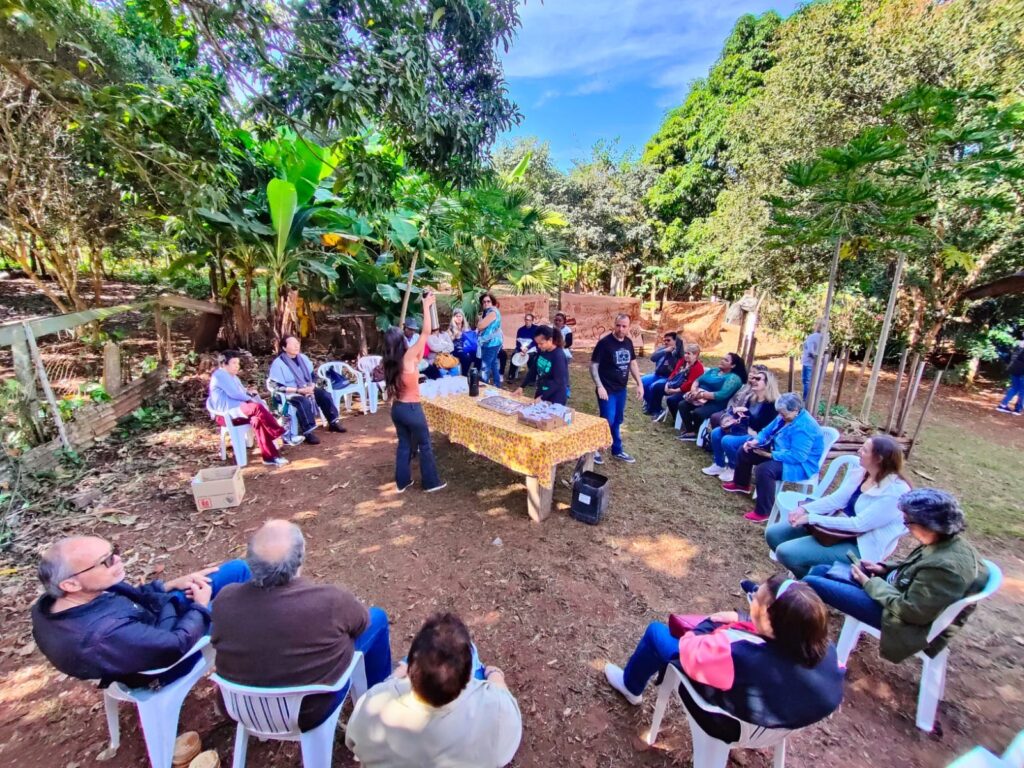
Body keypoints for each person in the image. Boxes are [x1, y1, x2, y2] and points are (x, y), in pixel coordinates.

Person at [603, 576, 844, 741]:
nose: (750, 603)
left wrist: (711, 623)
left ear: (770, 619)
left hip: (730, 722)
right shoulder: (824, 649)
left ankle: (630, 686)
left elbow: (690, 649)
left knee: (656, 633)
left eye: (754, 599)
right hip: (778, 725)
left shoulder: (737, 652)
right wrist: (743, 618)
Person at [211, 520, 392, 732]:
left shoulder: (225, 600)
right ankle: (380, 702)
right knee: (377, 618)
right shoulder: (330, 601)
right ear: (301, 557)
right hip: (310, 711)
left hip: (241, 710)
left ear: (251, 562)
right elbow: (361, 623)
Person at [32, 535, 250, 688]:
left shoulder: (68, 598)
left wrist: (170, 585)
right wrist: (200, 607)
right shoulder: (102, 634)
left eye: (114, 551)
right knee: (237, 602)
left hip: (156, 620)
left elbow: (133, 598)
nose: (118, 560)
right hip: (168, 659)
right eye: (106, 561)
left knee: (237, 569)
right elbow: (175, 645)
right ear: (71, 584)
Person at [804, 488, 990, 664]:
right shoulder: (948, 541)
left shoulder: (946, 569)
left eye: (908, 521)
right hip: (896, 591)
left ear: (930, 526)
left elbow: (909, 611)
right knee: (820, 570)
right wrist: (883, 568)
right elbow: (920, 567)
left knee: (810, 583)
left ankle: (804, 640)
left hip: (902, 621)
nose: (905, 526)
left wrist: (869, 582)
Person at [346, 612, 522, 767]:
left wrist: (394, 676)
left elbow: (352, 743)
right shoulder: (496, 709)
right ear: (468, 678)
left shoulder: (372, 704)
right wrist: (495, 673)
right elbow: (505, 751)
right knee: (472, 651)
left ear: (410, 671)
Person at [765, 436, 911, 578]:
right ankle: (812, 574)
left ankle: (812, 586)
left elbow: (859, 524)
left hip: (861, 545)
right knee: (774, 534)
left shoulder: (895, 491)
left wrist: (811, 518)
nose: (859, 451)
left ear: (878, 459)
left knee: (786, 553)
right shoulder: (863, 472)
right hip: (835, 529)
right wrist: (805, 509)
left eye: (865, 450)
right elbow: (836, 500)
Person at [723, 392, 825, 523]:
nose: (780, 416)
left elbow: (798, 456)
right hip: (779, 452)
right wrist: (756, 441)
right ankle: (741, 483)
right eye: (780, 413)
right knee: (745, 450)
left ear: (795, 410)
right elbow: (766, 431)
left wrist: (771, 455)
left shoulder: (804, 427)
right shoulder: (785, 417)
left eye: (783, 414)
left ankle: (764, 511)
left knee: (764, 470)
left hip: (800, 464)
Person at [383, 290, 446, 493]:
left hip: (397, 409)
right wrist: (426, 307)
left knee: (404, 445)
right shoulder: (407, 357)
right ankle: (431, 483)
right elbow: (426, 333)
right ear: (402, 341)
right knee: (425, 445)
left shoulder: (390, 362)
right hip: (411, 408)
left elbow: (419, 353)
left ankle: (402, 482)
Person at [207, 350, 290, 467]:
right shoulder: (220, 375)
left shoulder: (232, 376)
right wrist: (250, 398)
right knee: (256, 407)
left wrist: (250, 394)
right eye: (234, 363)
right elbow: (235, 394)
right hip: (226, 414)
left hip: (238, 410)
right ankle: (279, 432)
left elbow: (242, 391)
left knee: (257, 420)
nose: (237, 366)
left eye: (238, 363)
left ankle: (270, 456)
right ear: (224, 364)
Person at [703, 364, 781, 480]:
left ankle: (734, 468)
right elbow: (747, 420)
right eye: (753, 378)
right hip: (745, 429)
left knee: (727, 440)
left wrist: (747, 414)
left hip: (758, 438)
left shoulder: (772, 404)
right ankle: (719, 464)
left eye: (758, 379)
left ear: (767, 383)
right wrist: (735, 418)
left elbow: (763, 427)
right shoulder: (752, 399)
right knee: (716, 433)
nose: (753, 380)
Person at [268, 335, 347, 445]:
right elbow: (275, 385)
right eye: (292, 344)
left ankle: (333, 422)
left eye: (297, 343)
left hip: (307, 388)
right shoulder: (278, 363)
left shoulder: (303, 358)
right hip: (290, 393)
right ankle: (308, 432)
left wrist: (312, 386)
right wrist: (298, 391)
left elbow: (313, 375)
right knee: (303, 402)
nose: (296, 346)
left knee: (325, 395)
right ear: (284, 348)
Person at [591, 313, 644, 464]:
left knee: (617, 420)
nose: (621, 329)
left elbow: (632, 363)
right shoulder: (605, 343)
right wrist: (599, 386)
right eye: (618, 325)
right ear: (614, 325)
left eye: (624, 326)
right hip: (606, 389)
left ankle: (617, 450)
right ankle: (594, 448)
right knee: (606, 419)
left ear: (629, 327)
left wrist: (639, 384)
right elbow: (593, 365)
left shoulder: (628, 342)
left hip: (621, 389)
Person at [674, 353, 747, 439]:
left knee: (698, 413)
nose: (722, 361)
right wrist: (694, 390)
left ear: (733, 365)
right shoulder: (714, 370)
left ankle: (696, 429)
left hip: (717, 403)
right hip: (700, 398)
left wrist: (701, 395)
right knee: (683, 404)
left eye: (726, 360)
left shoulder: (733, 378)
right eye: (722, 358)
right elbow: (698, 380)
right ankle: (690, 431)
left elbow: (721, 395)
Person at [514, 325, 569, 405]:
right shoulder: (543, 350)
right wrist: (522, 386)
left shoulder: (558, 356)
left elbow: (559, 381)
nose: (539, 346)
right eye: (537, 344)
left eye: (541, 343)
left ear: (550, 340)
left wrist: (543, 397)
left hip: (555, 397)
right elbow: (533, 369)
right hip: (542, 390)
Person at [652, 343, 704, 422]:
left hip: (686, 390)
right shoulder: (682, 361)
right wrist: (667, 384)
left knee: (671, 400)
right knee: (657, 387)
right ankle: (657, 410)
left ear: (695, 355)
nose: (686, 355)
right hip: (674, 384)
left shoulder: (698, 367)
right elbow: (674, 373)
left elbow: (690, 384)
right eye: (685, 353)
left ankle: (677, 419)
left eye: (688, 354)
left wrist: (676, 391)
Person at [641, 333, 681, 415]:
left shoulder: (678, 353)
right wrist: (665, 351)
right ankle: (650, 405)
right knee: (642, 381)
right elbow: (653, 358)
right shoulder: (663, 349)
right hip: (657, 375)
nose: (666, 342)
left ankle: (657, 409)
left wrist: (673, 353)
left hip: (669, 378)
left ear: (675, 341)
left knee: (655, 386)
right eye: (665, 340)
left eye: (668, 340)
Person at [475, 292, 504, 386]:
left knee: (485, 366)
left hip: (491, 343)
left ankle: (484, 385)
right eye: (484, 302)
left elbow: (480, 326)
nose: (486, 303)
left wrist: (479, 321)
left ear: (492, 302)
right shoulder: (488, 312)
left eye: (488, 301)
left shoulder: (492, 312)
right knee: (494, 364)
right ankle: (497, 385)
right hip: (493, 342)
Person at [507, 312, 538, 382]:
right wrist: (520, 348)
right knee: (514, 355)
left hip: (531, 349)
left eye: (529, 320)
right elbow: (517, 342)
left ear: (532, 321)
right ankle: (511, 376)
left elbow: (535, 341)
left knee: (531, 358)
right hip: (521, 348)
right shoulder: (520, 330)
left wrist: (527, 348)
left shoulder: (536, 329)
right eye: (526, 319)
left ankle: (532, 379)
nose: (527, 321)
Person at [996, 339, 1024, 415]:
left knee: (1014, 388)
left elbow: (1009, 358)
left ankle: (1002, 405)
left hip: (1014, 370)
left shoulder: (1017, 346)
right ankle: (1018, 409)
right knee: (1022, 390)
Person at [449, 308, 478, 376]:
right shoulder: (450, 329)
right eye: (456, 316)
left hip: (467, 347)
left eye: (460, 316)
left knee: (478, 355)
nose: (458, 318)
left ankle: (474, 374)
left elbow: (471, 339)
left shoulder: (466, 327)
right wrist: (455, 335)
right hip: (456, 349)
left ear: (463, 317)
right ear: (453, 318)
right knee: (466, 357)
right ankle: (464, 375)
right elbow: (449, 342)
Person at [801, 319, 824, 401]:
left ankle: (806, 400)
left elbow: (810, 351)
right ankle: (812, 399)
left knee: (807, 382)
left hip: (809, 363)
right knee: (815, 381)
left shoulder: (813, 337)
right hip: (819, 363)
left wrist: (814, 357)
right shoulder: (825, 337)